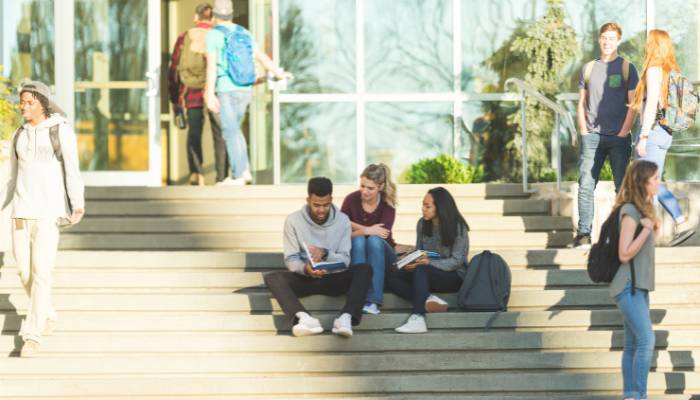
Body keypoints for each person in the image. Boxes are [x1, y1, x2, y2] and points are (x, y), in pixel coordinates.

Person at [3, 81, 85, 357]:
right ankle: (47, 312)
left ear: (43, 103)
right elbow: (11, 178)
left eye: (29, 102)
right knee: (24, 271)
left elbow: (72, 170)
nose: (23, 107)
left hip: (49, 212)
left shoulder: (60, 131)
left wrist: (77, 203)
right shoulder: (19, 134)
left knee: (42, 272)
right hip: (21, 213)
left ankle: (32, 335)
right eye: (22, 102)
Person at [264, 177, 372, 337]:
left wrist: (326, 253)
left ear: (331, 200)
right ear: (308, 200)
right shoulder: (293, 221)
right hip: (306, 278)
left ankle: (346, 318)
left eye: (325, 205)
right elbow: (291, 258)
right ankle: (304, 318)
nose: (321, 210)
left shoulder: (343, 221)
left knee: (364, 269)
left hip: (334, 279)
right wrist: (305, 268)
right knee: (273, 278)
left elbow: (345, 260)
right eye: (316, 205)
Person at [205, 0, 292, 185]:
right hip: (244, 88)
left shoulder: (213, 35)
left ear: (214, 14)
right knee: (235, 129)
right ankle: (243, 170)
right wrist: (278, 72)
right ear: (231, 13)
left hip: (226, 88)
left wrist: (208, 93)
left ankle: (239, 174)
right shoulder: (243, 32)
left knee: (230, 131)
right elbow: (260, 57)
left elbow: (211, 66)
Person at [572, 22, 640, 248]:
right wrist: (583, 130)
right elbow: (581, 102)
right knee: (585, 185)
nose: (607, 41)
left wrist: (623, 132)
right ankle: (584, 232)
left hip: (618, 139)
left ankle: (623, 233)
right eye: (604, 37)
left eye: (612, 38)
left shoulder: (628, 68)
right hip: (591, 137)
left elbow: (633, 104)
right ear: (599, 39)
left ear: (618, 40)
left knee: (621, 186)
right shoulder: (588, 68)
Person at [630, 29, 696, 247]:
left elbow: (650, 107)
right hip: (664, 133)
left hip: (654, 132)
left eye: (648, 43)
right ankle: (669, 223)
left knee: (648, 183)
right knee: (650, 183)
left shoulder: (653, 70)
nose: (645, 46)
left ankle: (668, 224)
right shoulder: (670, 71)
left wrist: (643, 137)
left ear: (653, 46)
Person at [386, 187, 469, 334]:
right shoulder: (422, 224)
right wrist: (410, 261)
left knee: (421, 269)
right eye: (423, 205)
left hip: (453, 275)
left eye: (428, 206)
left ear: (440, 208)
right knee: (392, 275)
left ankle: (418, 316)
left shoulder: (458, 226)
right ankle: (428, 298)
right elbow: (420, 251)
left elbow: (457, 261)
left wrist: (428, 263)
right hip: (426, 272)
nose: (423, 209)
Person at [610, 160, 660, 400]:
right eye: (654, 179)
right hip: (628, 286)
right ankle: (639, 395)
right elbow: (624, 253)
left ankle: (630, 395)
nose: (658, 182)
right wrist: (647, 230)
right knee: (646, 340)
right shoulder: (630, 212)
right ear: (643, 182)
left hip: (638, 287)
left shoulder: (641, 211)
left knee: (631, 345)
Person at [168, 2, 228, 185]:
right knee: (220, 134)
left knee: (194, 133)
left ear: (196, 17)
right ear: (212, 18)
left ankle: (196, 173)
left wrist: (175, 99)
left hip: (191, 92)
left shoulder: (185, 36)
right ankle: (221, 177)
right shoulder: (220, 36)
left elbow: (174, 68)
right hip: (216, 91)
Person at [341, 163, 406, 315]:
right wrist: (367, 229)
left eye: (370, 188)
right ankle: (358, 296)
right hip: (357, 250)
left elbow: (382, 235)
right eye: (362, 186)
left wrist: (353, 227)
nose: (364, 191)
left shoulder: (387, 204)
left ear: (380, 187)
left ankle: (373, 301)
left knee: (374, 241)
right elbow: (341, 232)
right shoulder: (351, 199)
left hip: (384, 253)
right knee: (359, 240)